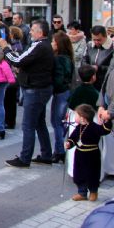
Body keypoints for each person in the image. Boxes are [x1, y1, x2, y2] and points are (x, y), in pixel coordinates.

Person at [1, 20, 55, 168]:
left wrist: (6, 48)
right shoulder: (43, 46)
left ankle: (25, 158)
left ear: (40, 32)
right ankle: (46, 155)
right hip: (40, 87)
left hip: (35, 89)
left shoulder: (39, 46)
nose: (30, 32)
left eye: (33, 30)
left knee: (28, 125)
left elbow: (18, 60)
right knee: (39, 123)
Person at [66, 104, 112, 201]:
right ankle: (82, 193)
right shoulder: (79, 128)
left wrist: (107, 121)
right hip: (80, 154)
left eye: (77, 115)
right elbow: (73, 138)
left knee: (92, 174)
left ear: (83, 118)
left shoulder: (94, 127)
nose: (75, 117)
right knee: (79, 173)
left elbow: (105, 130)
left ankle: (93, 191)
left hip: (92, 155)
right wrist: (69, 143)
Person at [51, 31, 74, 163]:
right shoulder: (66, 57)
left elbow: (59, 79)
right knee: (58, 122)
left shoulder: (60, 58)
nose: (52, 43)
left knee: (57, 122)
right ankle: (59, 149)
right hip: (63, 92)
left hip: (61, 93)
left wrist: (51, 86)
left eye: (54, 41)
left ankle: (59, 151)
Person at [83, 25, 113, 92]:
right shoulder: (90, 45)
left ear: (105, 36)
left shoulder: (112, 47)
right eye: (94, 39)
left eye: (99, 40)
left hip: (106, 84)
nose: (96, 42)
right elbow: (84, 60)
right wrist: (89, 69)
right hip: (91, 83)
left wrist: (98, 68)